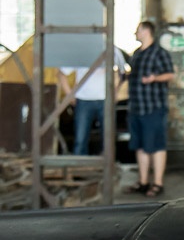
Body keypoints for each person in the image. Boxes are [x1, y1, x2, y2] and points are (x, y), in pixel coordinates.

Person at [124, 20, 175, 197]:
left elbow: (170, 75)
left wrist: (154, 78)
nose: (135, 33)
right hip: (136, 107)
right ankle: (143, 182)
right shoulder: (136, 54)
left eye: (138, 30)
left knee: (156, 146)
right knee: (140, 146)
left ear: (146, 32)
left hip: (153, 107)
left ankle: (158, 183)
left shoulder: (160, 53)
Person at [57, 48, 127, 155]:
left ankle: (106, 164)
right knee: (80, 139)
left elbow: (122, 73)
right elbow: (61, 73)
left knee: (108, 140)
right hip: (83, 100)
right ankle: (80, 164)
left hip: (105, 100)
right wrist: (69, 94)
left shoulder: (113, 50)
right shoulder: (81, 51)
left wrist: (115, 92)